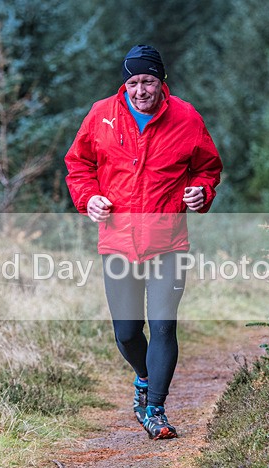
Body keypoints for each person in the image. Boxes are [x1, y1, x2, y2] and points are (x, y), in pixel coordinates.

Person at [64, 44, 222, 440]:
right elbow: (78, 165)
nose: (140, 90)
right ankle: (144, 378)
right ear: (125, 83)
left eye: (148, 81)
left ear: (161, 81)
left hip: (168, 242)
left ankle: (155, 409)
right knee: (128, 333)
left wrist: (201, 192)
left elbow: (207, 168)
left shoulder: (186, 118)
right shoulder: (102, 115)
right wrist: (89, 198)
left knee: (164, 327)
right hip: (118, 242)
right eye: (133, 82)